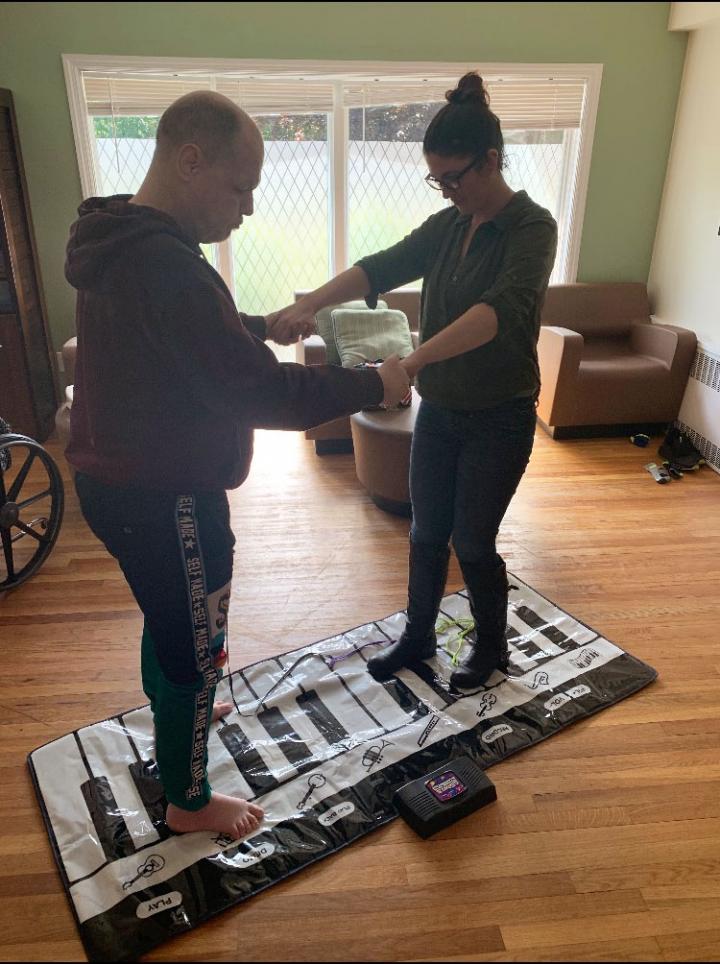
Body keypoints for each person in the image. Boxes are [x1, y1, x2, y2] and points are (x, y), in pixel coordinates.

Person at [65, 91, 410, 840]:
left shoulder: (122, 241)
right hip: (166, 493)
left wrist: (255, 324)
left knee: (172, 616)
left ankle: (180, 703)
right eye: (240, 187)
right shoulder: (167, 267)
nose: (248, 209)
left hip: (118, 479)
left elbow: (184, 341)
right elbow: (254, 391)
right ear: (191, 161)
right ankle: (187, 800)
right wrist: (373, 382)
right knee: (195, 636)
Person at [272, 72, 557, 690]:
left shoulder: (532, 228)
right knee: (427, 533)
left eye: (454, 178)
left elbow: (495, 315)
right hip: (442, 412)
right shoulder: (449, 225)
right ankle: (419, 634)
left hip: (500, 414)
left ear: (491, 160)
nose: (447, 191)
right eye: (438, 180)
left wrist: (412, 363)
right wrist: (310, 305)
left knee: (474, 543)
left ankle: (490, 647)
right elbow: (383, 264)